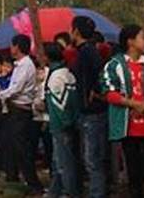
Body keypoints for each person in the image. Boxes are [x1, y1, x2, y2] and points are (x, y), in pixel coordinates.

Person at [101, 24, 144, 198]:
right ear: (130, 41)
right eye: (142, 37)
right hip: (128, 127)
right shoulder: (114, 64)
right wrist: (133, 104)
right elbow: (109, 92)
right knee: (134, 171)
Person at [0, 34, 42, 194]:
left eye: (12, 45)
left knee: (21, 148)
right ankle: (14, 178)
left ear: (17, 47)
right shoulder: (20, 65)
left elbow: (17, 88)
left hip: (21, 110)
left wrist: (2, 94)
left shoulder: (26, 65)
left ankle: (33, 183)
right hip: (15, 110)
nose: (11, 48)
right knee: (12, 146)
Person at [70, 15, 107, 198]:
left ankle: (97, 193)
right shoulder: (86, 51)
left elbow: (100, 76)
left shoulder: (88, 52)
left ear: (75, 31)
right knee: (91, 158)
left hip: (92, 112)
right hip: (88, 110)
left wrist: (96, 92)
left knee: (92, 159)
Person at [44, 42, 80, 198]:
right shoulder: (65, 73)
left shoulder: (57, 76)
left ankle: (69, 192)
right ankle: (55, 191)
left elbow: (61, 105)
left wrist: (65, 124)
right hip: (61, 124)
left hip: (61, 126)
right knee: (58, 161)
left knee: (64, 162)